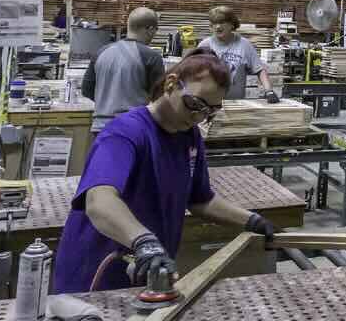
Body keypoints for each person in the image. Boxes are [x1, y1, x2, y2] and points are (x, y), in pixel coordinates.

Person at [53, 53, 278, 294]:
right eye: (194, 104)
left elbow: (201, 200)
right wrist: (143, 241)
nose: (199, 117)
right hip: (96, 276)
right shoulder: (125, 133)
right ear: (171, 84)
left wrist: (251, 220)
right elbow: (99, 201)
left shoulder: (189, 137)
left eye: (210, 111)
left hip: (146, 274)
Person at [81, 7, 165, 131]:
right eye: (155, 30)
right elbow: (159, 97)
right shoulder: (151, 57)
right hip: (133, 128)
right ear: (150, 29)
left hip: (101, 127)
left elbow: (86, 90)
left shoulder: (102, 52)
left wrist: (108, 102)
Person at [203, 6, 276, 103]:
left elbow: (259, 69)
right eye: (214, 23)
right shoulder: (205, 45)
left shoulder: (244, 45)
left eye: (221, 22)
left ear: (232, 24)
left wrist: (269, 91)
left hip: (236, 103)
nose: (218, 27)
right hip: (210, 103)